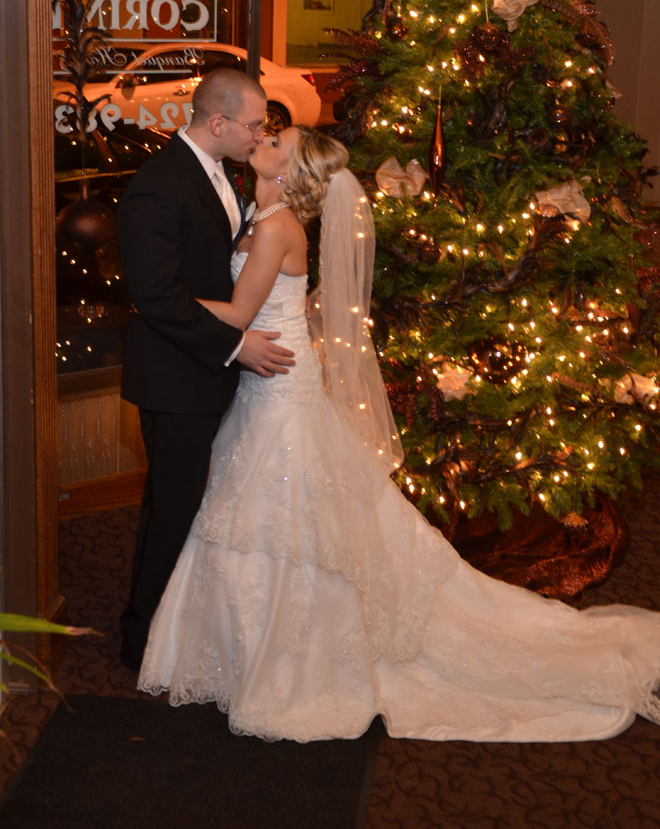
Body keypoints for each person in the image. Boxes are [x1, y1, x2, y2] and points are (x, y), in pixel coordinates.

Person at [138, 126, 660, 742]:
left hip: (277, 385)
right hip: (269, 376)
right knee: (262, 514)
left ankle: (297, 658)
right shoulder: (264, 210)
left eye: (278, 138)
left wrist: (154, 300)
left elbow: (239, 314)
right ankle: (244, 654)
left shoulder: (277, 226)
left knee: (280, 516)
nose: (266, 135)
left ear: (291, 167)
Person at [117, 69, 295, 671]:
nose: (258, 135)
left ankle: (180, 629)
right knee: (172, 509)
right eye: (252, 125)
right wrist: (237, 344)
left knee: (198, 505)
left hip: (208, 373)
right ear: (216, 123)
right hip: (175, 376)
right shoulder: (157, 186)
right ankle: (140, 641)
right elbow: (157, 297)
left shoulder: (225, 175)